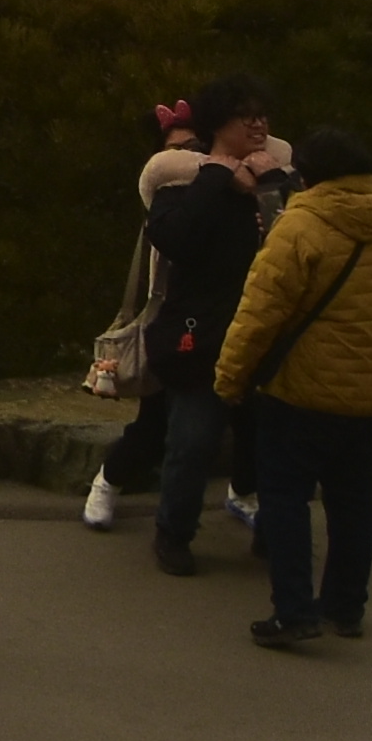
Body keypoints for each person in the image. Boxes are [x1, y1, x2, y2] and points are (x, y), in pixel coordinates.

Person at [214, 120, 372, 653]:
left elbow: (259, 314)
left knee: (285, 497)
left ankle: (294, 611)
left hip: (304, 390)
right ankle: (345, 608)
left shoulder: (300, 226)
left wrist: (230, 377)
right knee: (354, 501)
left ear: (310, 175)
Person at [89, 80, 280, 565]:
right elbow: (172, 237)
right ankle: (173, 534)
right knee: (191, 442)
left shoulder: (276, 176)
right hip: (201, 332)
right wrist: (217, 176)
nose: (259, 124)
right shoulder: (182, 181)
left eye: (263, 115)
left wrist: (272, 188)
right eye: (246, 116)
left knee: (269, 440)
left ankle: (267, 522)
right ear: (218, 124)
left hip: (265, 332)